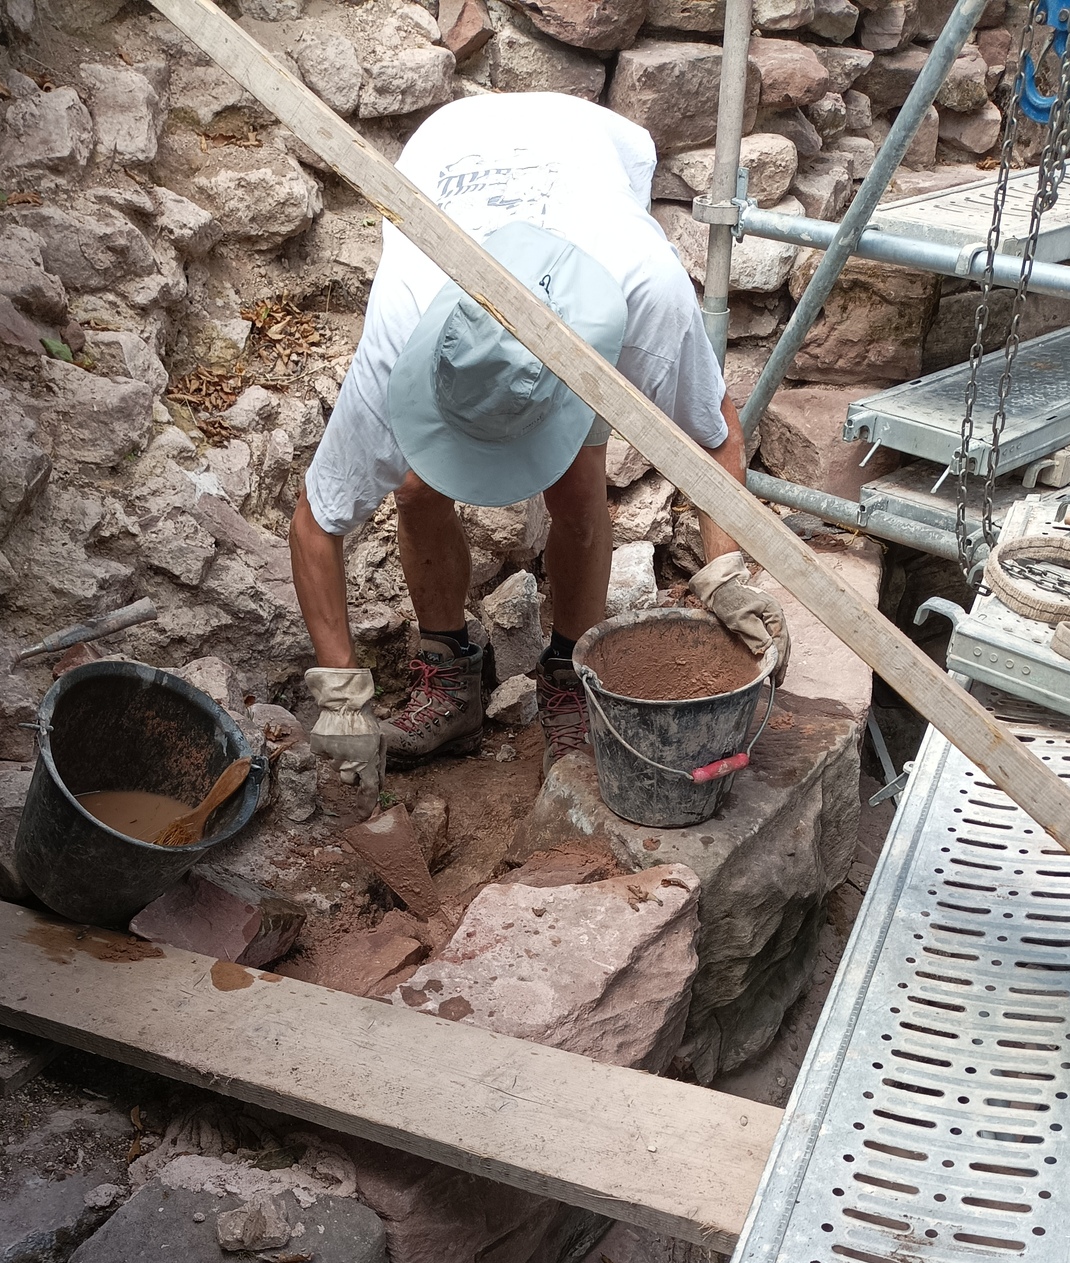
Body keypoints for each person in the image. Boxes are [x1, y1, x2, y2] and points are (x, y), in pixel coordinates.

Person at [289, 90, 783, 774]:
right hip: (448, 148)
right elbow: (316, 524)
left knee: (575, 490)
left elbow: (713, 433)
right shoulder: (400, 326)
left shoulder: (643, 294)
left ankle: (570, 680)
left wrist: (725, 572)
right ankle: (450, 683)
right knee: (415, 486)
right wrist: (341, 699)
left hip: (585, 156)